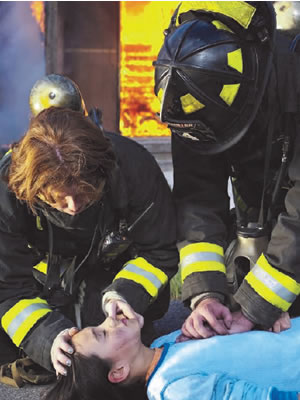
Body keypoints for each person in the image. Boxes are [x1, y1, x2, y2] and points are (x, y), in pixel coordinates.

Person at [0, 101, 178, 384]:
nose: (72, 206)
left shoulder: (133, 166)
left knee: (107, 345)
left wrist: (123, 296)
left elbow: (159, 252)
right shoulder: (6, 190)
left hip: (111, 275)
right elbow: (7, 287)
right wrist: (45, 338)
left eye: (84, 193)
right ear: (31, 189)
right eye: (57, 198)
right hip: (42, 283)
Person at [153, 1, 300, 339]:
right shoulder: (189, 87)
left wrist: (257, 304)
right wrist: (205, 294)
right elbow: (196, 197)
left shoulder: (290, 73)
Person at [42, 311, 300, 400]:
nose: (110, 319)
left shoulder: (163, 343)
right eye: (103, 334)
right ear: (119, 372)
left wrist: (261, 317)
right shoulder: (172, 390)